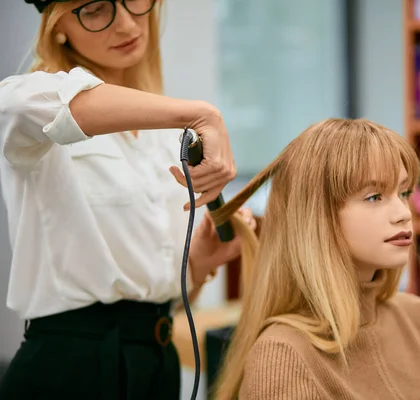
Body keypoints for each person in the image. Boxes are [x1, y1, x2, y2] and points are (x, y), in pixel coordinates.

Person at [0, 1, 256, 399]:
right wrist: (204, 114)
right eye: (97, 9)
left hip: (156, 359)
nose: (125, 24)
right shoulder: (30, 107)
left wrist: (198, 263)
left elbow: (156, 294)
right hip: (72, 367)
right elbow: (20, 103)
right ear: (58, 26)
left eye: (134, 1)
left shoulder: (160, 137)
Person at [209, 118, 420, 399]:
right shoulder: (283, 357)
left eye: (404, 192)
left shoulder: (419, 320)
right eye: (374, 197)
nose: (402, 214)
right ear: (318, 218)